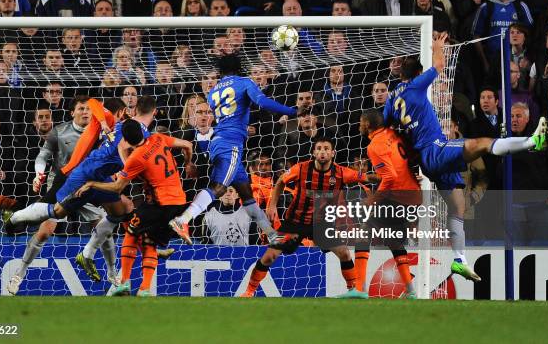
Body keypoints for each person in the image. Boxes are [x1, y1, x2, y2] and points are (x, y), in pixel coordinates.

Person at [382, 33, 548, 281]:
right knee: (480, 143)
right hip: (436, 149)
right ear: (418, 75)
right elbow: (438, 66)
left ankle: (459, 260)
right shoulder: (416, 85)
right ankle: (530, 142)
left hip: (428, 159)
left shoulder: (392, 98)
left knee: (457, 207)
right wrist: (438, 47)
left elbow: (388, 127)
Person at [6, 98, 156, 282]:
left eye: (86, 109)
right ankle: (16, 234)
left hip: (96, 175)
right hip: (71, 175)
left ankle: (107, 271)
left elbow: (118, 148)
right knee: (52, 220)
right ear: (72, 112)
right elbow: (94, 103)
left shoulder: (120, 127)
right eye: (80, 108)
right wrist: (39, 174)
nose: (85, 111)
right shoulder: (91, 124)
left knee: (120, 210)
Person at [169, 53, 302, 246]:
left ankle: (271, 234)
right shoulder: (244, 82)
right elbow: (262, 101)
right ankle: (183, 220)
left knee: (246, 193)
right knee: (219, 187)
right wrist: (291, 111)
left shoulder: (213, 92)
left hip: (220, 141)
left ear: (221, 71)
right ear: (239, 67)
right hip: (230, 144)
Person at [240, 137, 372, 297]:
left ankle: (353, 291)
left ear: (333, 153)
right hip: (295, 222)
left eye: (326, 148)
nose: (322, 151)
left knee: (344, 253)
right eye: (319, 148)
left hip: (322, 223)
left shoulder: (341, 172)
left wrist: (386, 177)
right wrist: (272, 205)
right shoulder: (301, 168)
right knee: (269, 257)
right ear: (314, 152)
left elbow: (365, 177)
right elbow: (281, 181)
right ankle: (248, 292)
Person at [75, 130, 194, 296]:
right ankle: (144, 289)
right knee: (148, 240)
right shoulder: (158, 137)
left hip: (158, 203)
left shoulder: (137, 156)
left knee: (130, 231)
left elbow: (118, 186)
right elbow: (188, 145)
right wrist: (188, 163)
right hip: (179, 202)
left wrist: (91, 184)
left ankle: (123, 282)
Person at [337, 109, 420, 299]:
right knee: (393, 240)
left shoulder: (374, 146)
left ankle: (358, 290)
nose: (359, 125)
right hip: (411, 195)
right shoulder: (392, 134)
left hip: (396, 196)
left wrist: (373, 200)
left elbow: (389, 177)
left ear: (367, 124)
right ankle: (411, 291)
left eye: (360, 121)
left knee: (363, 235)